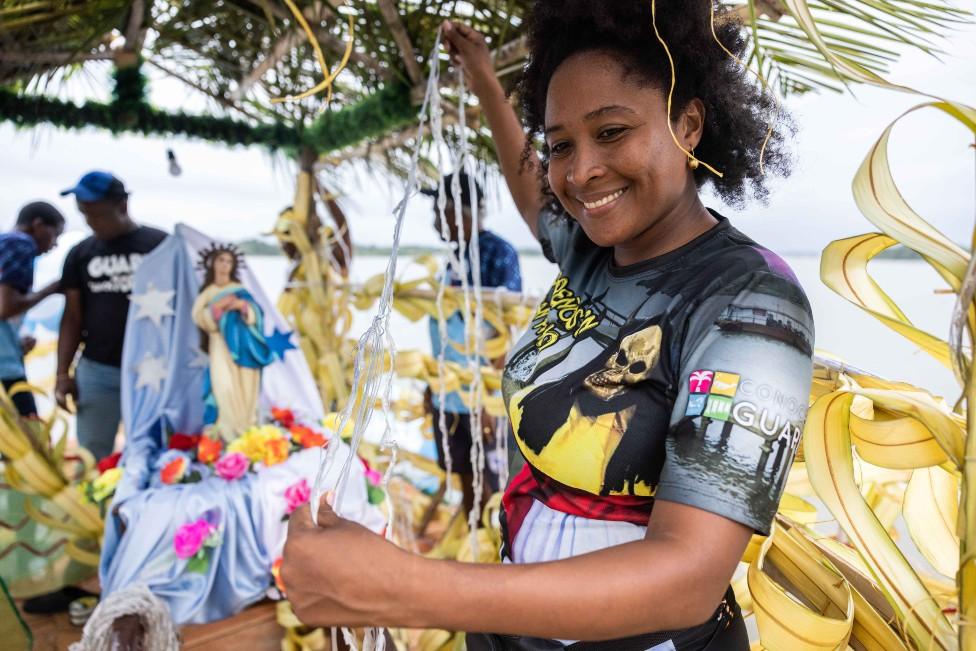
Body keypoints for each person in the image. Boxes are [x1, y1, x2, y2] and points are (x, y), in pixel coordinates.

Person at [281, 3, 813, 650]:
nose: (580, 170)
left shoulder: (751, 298)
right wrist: (482, 77)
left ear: (689, 124)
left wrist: (402, 586)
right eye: (561, 143)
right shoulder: (592, 248)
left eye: (611, 132)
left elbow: (690, 576)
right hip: (516, 623)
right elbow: (525, 176)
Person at [421, 171, 522, 518]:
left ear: (457, 210)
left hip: (480, 399)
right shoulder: (450, 259)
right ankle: (470, 537)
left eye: (438, 210)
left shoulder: (497, 253)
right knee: (462, 475)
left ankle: (493, 555)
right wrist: (429, 385)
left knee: (491, 481)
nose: (435, 220)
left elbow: (503, 333)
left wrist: (486, 398)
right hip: (446, 394)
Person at [56, 171, 167, 461]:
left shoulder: (161, 246)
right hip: (97, 370)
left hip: (153, 369)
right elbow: (71, 317)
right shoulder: (81, 253)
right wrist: (62, 373)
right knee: (92, 454)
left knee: (152, 452)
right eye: (84, 215)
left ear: (122, 206)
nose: (90, 222)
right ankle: (91, 508)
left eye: (97, 215)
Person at [191, 244, 274, 441]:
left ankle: (245, 432)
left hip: (243, 348)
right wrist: (216, 308)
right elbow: (198, 317)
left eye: (229, 261)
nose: (224, 265)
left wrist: (242, 306)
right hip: (220, 346)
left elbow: (257, 315)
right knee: (223, 387)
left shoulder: (239, 290)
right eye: (221, 260)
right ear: (212, 264)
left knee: (245, 388)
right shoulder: (208, 292)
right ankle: (227, 434)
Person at [0, 202, 65, 416]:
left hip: (8, 356)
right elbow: (6, 308)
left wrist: (17, 342)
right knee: (27, 441)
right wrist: (52, 289)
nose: (54, 244)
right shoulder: (21, 244)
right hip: (6, 368)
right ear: (37, 225)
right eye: (55, 234)